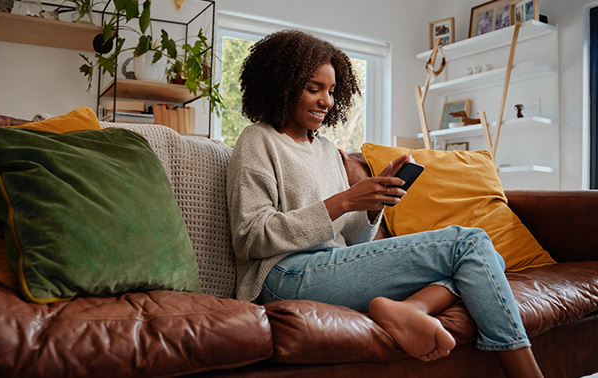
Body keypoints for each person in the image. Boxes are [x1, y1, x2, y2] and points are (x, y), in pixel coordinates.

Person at [227, 29, 544, 377]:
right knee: (470, 244)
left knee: (486, 257)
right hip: (281, 276)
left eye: (331, 91)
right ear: (283, 86)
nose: (326, 101)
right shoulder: (258, 141)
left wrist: (372, 206)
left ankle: (410, 309)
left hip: (327, 266)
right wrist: (344, 200)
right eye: (313, 89)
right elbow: (251, 237)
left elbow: (353, 242)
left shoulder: (326, 151)